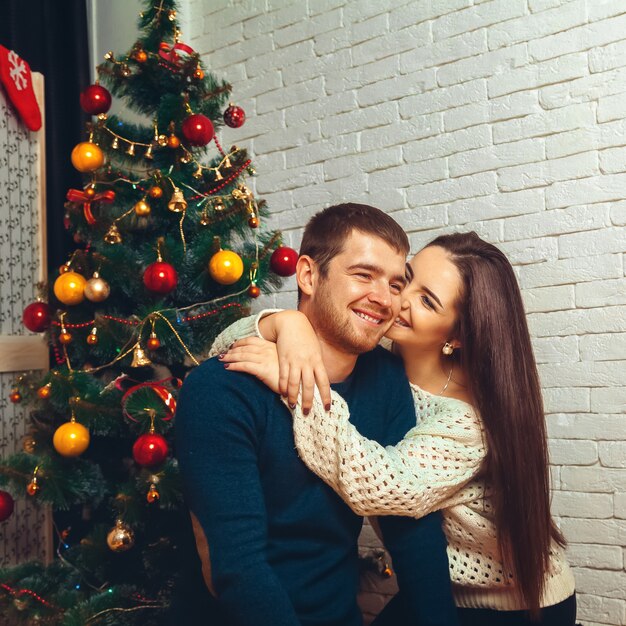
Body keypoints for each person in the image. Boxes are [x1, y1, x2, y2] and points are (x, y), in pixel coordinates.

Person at [219, 231, 577, 626]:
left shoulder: (465, 422)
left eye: (426, 301)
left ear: (455, 337)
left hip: (514, 605)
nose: (397, 300)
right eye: (406, 280)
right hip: (438, 587)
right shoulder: (378, 366)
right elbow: (221, 353)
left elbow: (378, 486)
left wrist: (295, 384)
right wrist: (283, 325)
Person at [174, 203, 460, 626]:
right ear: (308, 275)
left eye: (396, 283)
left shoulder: (384, 378)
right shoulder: (222, 389)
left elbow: (412, 532)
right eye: (363, 275)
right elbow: (239, 571)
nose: (384, 299)